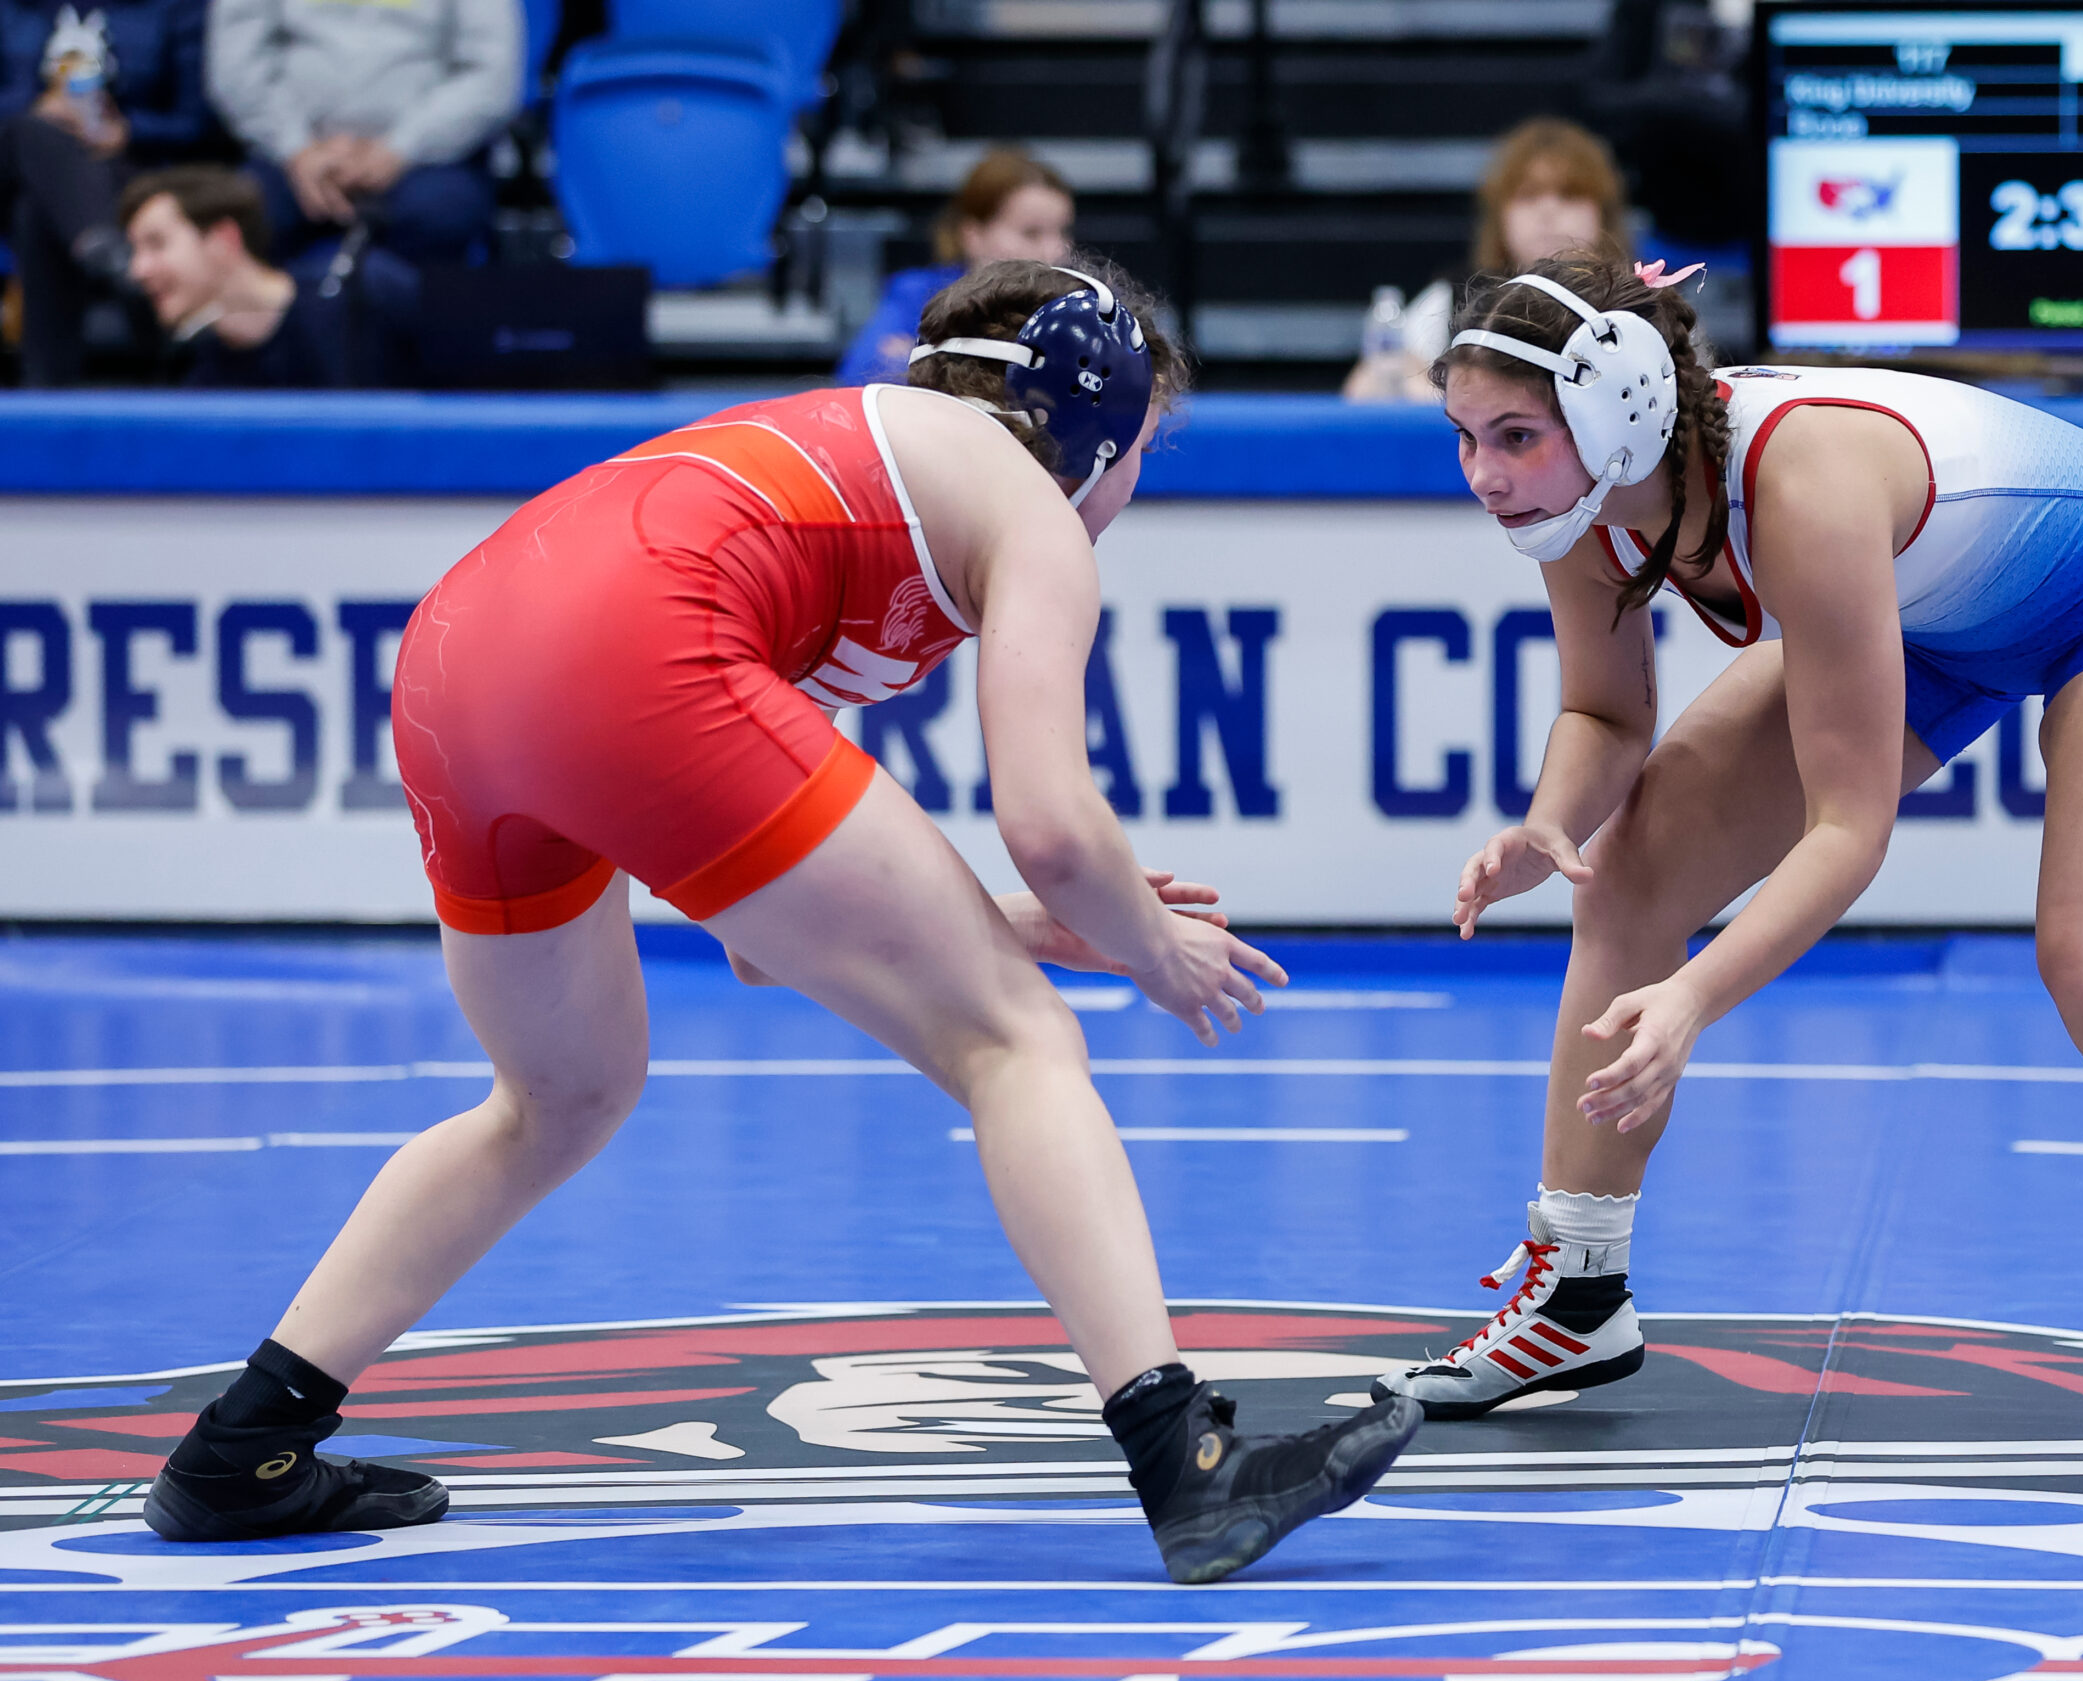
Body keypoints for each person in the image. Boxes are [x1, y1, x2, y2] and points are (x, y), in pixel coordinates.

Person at [141, 255, 1423, 1585]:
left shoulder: (857, 467)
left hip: (461, 658)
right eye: (1145, 452)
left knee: (561, 1090)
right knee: (1019, 1041)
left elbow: (762, 926)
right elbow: (1051, 821)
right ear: (1098, 424)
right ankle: (1183, 1459)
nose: (1132, 494)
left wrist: (1009, 921)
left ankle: (246, 1445)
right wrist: (1146, 946)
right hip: (634, 647)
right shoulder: (1026, 508)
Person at [1372, 253, 2083, 1458]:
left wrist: (1692, 996)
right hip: (1928, 615)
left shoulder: (1800, 484)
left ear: (1612, 406)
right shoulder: (1583, 503)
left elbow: (1852, 834)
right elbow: (1607, 715)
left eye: (1512, 437)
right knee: (1626, 873)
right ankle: (1578, 1291)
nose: (1482, 476)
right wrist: (1549, 821)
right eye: (1463, 438)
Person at [205, 0, 518, 268]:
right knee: (240, 219)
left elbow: (491, 76)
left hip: (426, 159)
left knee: (441, 215)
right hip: (287, 154)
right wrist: (297, 148)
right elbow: (236, 64)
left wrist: (400, 147)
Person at [1342, 116, 1629, 405]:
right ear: (1499, 217)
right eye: (1528, 196)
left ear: (1603, 213)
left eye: (1569, 195)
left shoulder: (1636, 303)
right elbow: (1365, 388)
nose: (1548, 211)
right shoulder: (1454, 300)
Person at [1, 0, 211, 385]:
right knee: (31, 135)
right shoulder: (14, 9)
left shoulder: (176, 10)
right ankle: (111, 253)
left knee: (38, 213)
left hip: (130, 171)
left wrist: (128, 131)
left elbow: (199, 121)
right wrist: (37, 109)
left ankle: (47, 400)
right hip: (15, 168)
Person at [121, 163, 416, 385]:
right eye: (135, 251)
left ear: (224, 240)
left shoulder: (366, 296)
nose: (138, 270)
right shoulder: (199, 381)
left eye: (157, 244)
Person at [836, 145, 1072, 385]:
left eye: (1062, 231)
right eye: (1030, 233)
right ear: (973, 235)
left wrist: (927, 361)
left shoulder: (1075, 309)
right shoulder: (916, 294)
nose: (1056, 250)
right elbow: (860, 378)